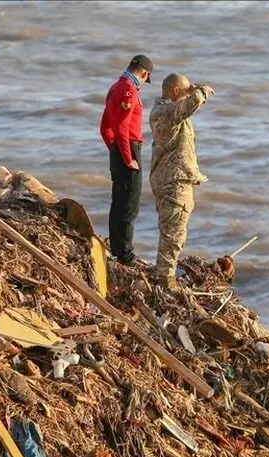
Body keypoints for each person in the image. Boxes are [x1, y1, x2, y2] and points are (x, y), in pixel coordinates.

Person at [148, 73, 215, 290]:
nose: (188, 93)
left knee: (173, 231)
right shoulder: (167, 111)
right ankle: (166, 282)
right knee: (173, 235)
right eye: (185, 90)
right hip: (174, 182)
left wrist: (190, 90)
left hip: (171, 180)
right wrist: (201, 90)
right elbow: (191, 104)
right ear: (176, 91)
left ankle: (165, 276)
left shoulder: (165, 111)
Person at [100, 54, 154, 265]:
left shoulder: (114, 88)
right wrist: (128, 157)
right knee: (130, 204)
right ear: (144, 73)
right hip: (128, 148)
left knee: (119, 201)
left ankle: (117, 248)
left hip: (118, 148)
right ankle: (125, 254)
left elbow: (105, 127)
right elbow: (122, 128)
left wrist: (113, 148)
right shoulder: (129, 91)